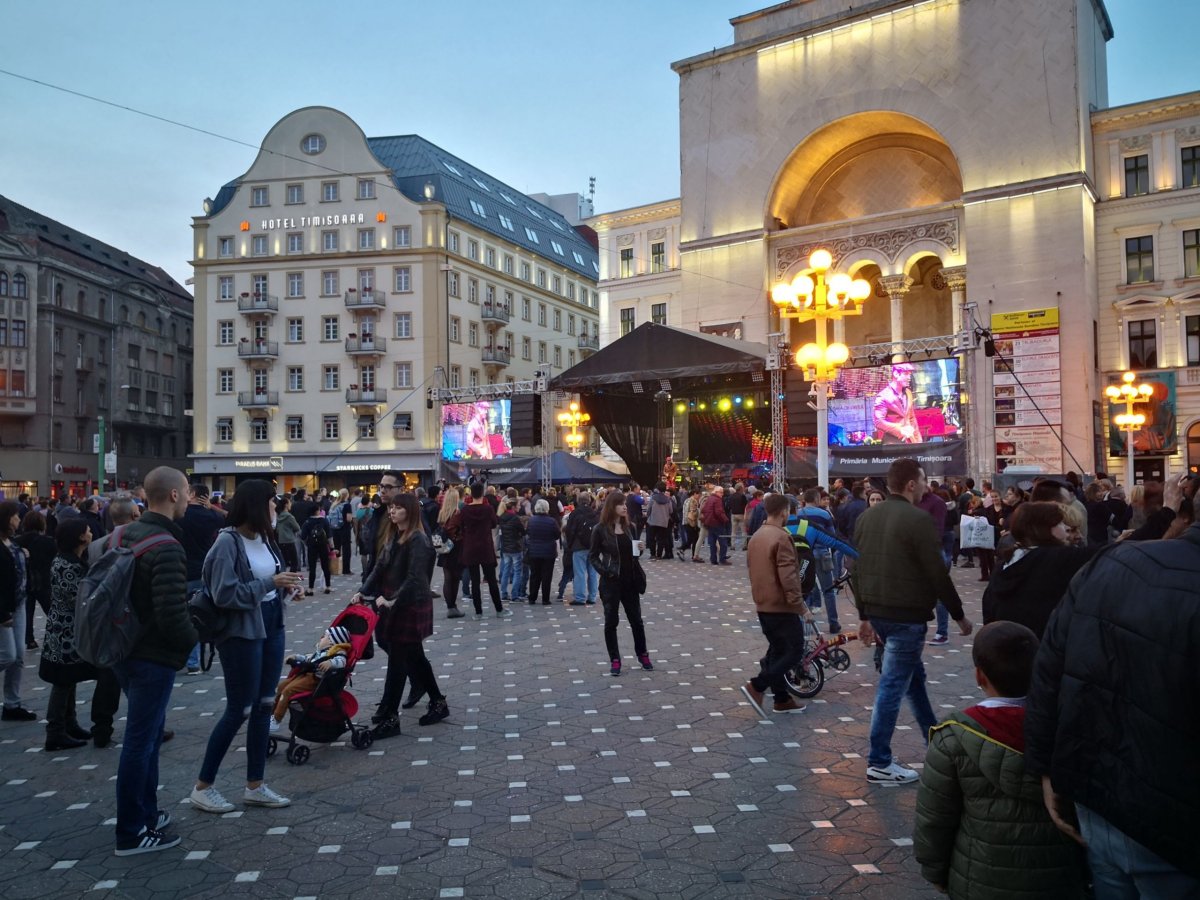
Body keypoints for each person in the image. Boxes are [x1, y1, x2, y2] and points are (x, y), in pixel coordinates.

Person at [1025, 517, 1200, 897]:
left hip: (1098, 797)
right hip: (1172, 827)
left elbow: (1047, 668)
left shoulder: (1113, 561)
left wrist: (1046, 769)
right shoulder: (1110, 561)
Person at [914, 622, 1086, 898]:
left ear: (979, 676)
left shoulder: (954, 738)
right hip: (1058, 877)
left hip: (979, 878)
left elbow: (934, 819)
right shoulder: (1069, 729)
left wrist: (935, 871)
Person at [851, 458, 973, 785]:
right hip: (905, 615)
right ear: (910, 484)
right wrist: (959, 615)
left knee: (913, 681)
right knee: (892, 687)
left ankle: (935, 742)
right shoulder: (918, 519)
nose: (924, 487)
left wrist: (864, 615)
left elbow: (855, 570)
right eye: (921, 481)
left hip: (879, 612)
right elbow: (937, 573)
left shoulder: (866, 517)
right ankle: (879, 761)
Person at [190, 478, 300, 817]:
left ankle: (255, 785)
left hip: (271, 624)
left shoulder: (265, 539)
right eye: (271, 501)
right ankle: (203, 787)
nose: (275, 507)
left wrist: (285, 588)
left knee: (265, 705)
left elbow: (270, 581)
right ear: (256, 505)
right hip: (241, 632)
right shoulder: (227, 543)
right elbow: (225, 594)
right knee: (240, 709)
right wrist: (270, 583)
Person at [111, 466, 196, 856]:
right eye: (188, 491)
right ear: (175, 496)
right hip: (151, 656)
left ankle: (148, 813)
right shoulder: (166, 546)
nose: (191, 497)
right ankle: (131, 831)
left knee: (145, 738)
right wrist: (195, 640)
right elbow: (171, 615)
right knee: (140, 742)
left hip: (121, 648)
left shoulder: (120, 533)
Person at [355, 492, 448, 735]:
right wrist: (362, 592)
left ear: (410, 511)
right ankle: (438, 702)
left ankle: (390, 717)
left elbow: (416, 578)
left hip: (409, 605)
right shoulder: (394, 535)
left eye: (397, 508)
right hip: (393, 603)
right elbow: (379, 567)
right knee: (415, 656)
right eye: (391, 508)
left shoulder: (419, 539)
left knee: (398, 661)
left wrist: (392, 599)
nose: (392, 511)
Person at [741, 493, 815, 716]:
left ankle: (782, 699)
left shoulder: (756, 536)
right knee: (793, 651)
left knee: (778, 650)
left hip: (763, 603)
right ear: (785, 512)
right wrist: (801, 607)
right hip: (781, 606)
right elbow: (789, 577)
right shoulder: (782, 538)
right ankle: (758, 685)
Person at [982, 503, 1100, 638]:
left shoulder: (1008, 561)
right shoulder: (1055, 557)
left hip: (1006, 640)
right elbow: (1102, 553)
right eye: (1060, 523)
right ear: (1043, 529)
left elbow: (988, 605)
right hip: (1038, 641)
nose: (1066, 528)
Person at [39, 518, 97, 751]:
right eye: (88, 531)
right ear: (80, 537)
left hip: (66, 628)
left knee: (69, 678)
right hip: (65, 631)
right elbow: (79, 597)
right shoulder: (67, 565)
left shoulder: (71, 560)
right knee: (63, 680)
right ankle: (55, 731)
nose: (91, 533)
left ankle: (69, 723)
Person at [588, 491, 652, 677]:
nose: (625, 506)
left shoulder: (630, 527)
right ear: (611, 506)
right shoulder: (600, 529)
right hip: (611, 582)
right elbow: (592, 556)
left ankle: (643, 654)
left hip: (630, 580)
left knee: (637, 621)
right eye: (620, 504)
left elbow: (633, 555)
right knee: (611, 622)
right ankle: (615, 659)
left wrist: (640, 550)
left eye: (625, 503)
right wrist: (606, 571)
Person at [180, 485, 224, 675]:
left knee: (185, 616)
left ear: (192, 494)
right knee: (203, 613)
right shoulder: (211, 517)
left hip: (183, 570)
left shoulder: (181, 515)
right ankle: (201, 657)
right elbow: (230, 518)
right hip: (205, 571)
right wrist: (211, 507)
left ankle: (189, 659)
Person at [271, 626, 350, 730]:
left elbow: (342, 662)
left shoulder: (337, 652)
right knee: (281, 687)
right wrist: (296, 657)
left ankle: (276, 719)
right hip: (305, 675)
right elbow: (309, 660)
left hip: (316, 680)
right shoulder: (320, 652)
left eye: (325, 636)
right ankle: (270, 714)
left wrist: (330, 663)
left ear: (332, 642)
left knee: (288, 691)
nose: (321, 638)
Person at [0, 501, 38, 723]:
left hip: (19, 602)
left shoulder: (12, 543)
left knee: (19, 657)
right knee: (8, 655)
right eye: (14, 516)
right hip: (5, 608)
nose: (18, 520)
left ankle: (12, 704)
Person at [459, 482, 507, 617]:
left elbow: (461, 526)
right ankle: (499, 609)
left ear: (471, 494)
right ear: (483, 493)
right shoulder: (488, 509)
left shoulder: (465, 510)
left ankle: (478, 612)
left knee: (475, 581)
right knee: (491, 579)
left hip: (470, 547)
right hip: (485, 546)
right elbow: (493, 524)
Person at [14, 510, 55, 650]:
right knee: (51, 610)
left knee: (28, 611)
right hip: (43, 580)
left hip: (25, 581)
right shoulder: (48, 542)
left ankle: (29, 639)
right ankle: (55, 634)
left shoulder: (17, 541)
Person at [434, 487, 466, 618]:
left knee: (447, 578)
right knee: (455, 578)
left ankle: (450, 607)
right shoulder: (457, 514)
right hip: (456, 547)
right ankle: (453, 607)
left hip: (444, 548)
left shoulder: (442, 513)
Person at [563, 492, 600, 605]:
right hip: (593, 546)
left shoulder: (575, 513)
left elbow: (569, 530)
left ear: (578, 501)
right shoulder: (594, 513)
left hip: (578, 546)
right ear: (589, 501)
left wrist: (569, 544)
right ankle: (592, 596)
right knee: (593, 572)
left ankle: (580, 597)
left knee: (579, 573)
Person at [873, 363, 922, 444]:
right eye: (906, 374)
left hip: (910, 441)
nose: (909, 378)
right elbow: (878, 421)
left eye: (910, 374)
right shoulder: (883, 396)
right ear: (896, 374)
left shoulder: (908, 392)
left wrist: (918, 439)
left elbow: (911, 417)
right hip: (893, 443)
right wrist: (900, 430)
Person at [524, 499, 561, 606]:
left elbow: (528, 533)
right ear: (547, 508)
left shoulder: (531, 520)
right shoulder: (552, 521)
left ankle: (532, 597)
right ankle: (545, 599)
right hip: (548, 552)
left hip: (534, 551)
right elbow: (557, 535)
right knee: (547, 576)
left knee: (534, 575)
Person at [497, 499, 527, 603]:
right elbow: (523, 532)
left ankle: (504, 593)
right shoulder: (515, 518)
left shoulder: (502, 517)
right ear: (514, 507)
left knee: (506, 570)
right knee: (517, 571)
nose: (519, 507)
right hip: (515, 547)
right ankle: (515, 595)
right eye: (518, 505)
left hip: (505, 547)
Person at [300, 510, 334, 595]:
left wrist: (307, 543)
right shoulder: (324, 520)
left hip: (312, 547)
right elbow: (329, 535)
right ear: (318, 511)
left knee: (312, 567)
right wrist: (332, 547)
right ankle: (328, 587)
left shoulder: (307, 522)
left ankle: (311, 588)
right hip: (323, 546)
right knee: (325, 566)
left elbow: (303, 536)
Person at [701, 485, 731, 565]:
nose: (722, 494)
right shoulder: (717, 500)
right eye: (721, 493)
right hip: (717, 523)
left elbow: (703, 510)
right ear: (716, 492)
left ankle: (713, 559)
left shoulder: (710, 498)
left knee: (712, 542)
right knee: (723, 542)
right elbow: (719, 512)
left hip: (709, 523)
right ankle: (722, 559)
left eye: (722, 493)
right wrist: (726, 519)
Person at [645, 482, 674, 559]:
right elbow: (671, 511)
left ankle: (652, 554)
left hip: (653, 521)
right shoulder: (668, 499)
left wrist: (648, 516)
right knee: (661, 539)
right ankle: (659, 555)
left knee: (652, 538)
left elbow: (649, 509)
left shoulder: (653, 498)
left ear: (657, 488)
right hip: (664, 522)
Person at [329, 488, 355, 575]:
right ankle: (346, 569)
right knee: (346, 549)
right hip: (344, 529)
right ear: (347, 495)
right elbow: (348, 519)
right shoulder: (347, 505)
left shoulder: (334, 504)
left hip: (334, 529)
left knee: (336, 548)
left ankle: (335, 568)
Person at [274, 496, 301, 574]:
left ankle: (283, 578)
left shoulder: (279, 516)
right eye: (289, 503)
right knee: (294, 563)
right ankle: (290, 581)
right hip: (289, 540)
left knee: (284, 562)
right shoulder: (289, 516)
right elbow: (297, 527)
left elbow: (277, 529)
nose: (291, 504)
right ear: (286, 505)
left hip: (281, 540)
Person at [726, 482, 750, 552]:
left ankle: (732, 545)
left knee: (733, 531)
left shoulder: (732, 496)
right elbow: (746, 505)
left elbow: (729, 505)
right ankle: (744, 546)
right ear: (741, 488)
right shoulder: (742, 496)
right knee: (743, 531)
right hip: (741, 514)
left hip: (733, 514)